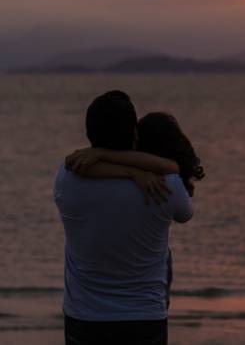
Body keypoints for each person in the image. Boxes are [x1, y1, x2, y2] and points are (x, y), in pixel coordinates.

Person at [54, 91, 197, 345]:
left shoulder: (68, 178)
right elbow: (184, 212)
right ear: (134, 133)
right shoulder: (166, 185)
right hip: (144, 317)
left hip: (85, 318)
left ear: (89, 135)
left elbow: (76, 161)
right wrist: (132, 173)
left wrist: (109, 159)